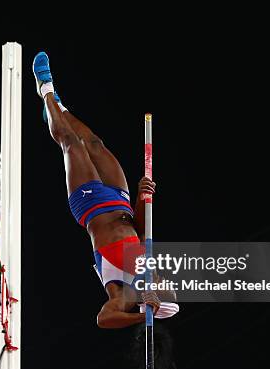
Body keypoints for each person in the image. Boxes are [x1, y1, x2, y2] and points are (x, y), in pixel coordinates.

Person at [33, 52, 179, 328]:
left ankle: (45, 90)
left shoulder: (122, 295)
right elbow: (141, 229)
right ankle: (57, 110)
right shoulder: (148, 266)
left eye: (164, 288)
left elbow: (103, 319)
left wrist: (142, 316)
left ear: (153, 300)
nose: (163, 281)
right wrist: (141, 195)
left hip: (90, 207)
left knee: (71, 144)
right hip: (121, 200)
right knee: (95, 143)